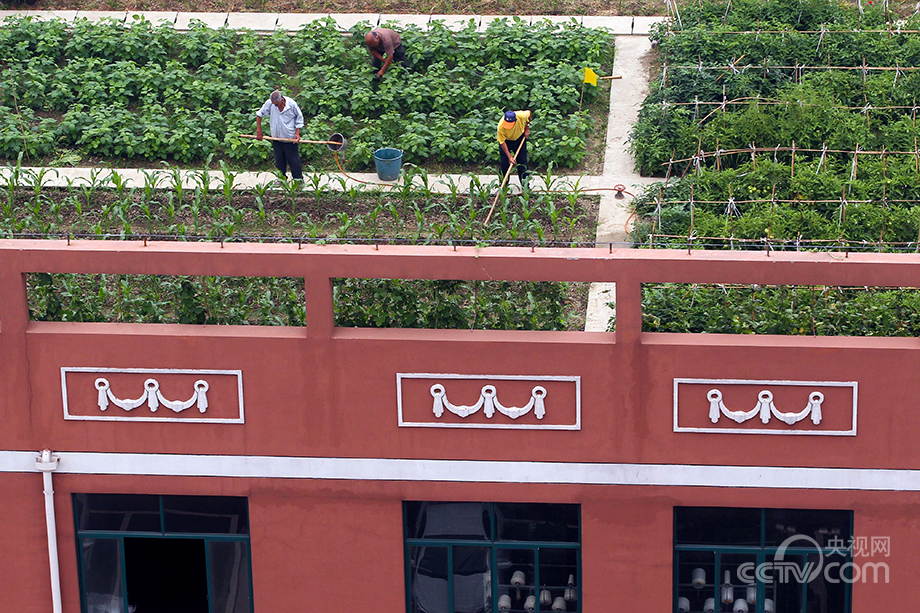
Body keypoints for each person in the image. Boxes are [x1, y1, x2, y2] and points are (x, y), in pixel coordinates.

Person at [255, 90, 304, 181]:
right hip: (276, 138)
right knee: (279, 160)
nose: (276, 106)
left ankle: (298, 180)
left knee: (293, 160)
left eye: (277, 104)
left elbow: (299, 118)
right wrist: (259, 130)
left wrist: (297, 134)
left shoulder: (292, 104)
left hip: (289, 138)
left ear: (282, 100)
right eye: (274, 105)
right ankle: (281, 179)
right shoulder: (270, 103)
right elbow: (259, 114)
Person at [496, 109, 533, 185]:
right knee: (504, 164)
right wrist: (510, 157)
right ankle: (503, 186)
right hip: (506, 141)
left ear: (515, 121)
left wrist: (527, 128)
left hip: (519, 138)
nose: (508, 127)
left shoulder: (522, 115)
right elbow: (502, 142)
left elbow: (529, 114)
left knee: (522, 163)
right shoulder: (500, 126)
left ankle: (525, 186)